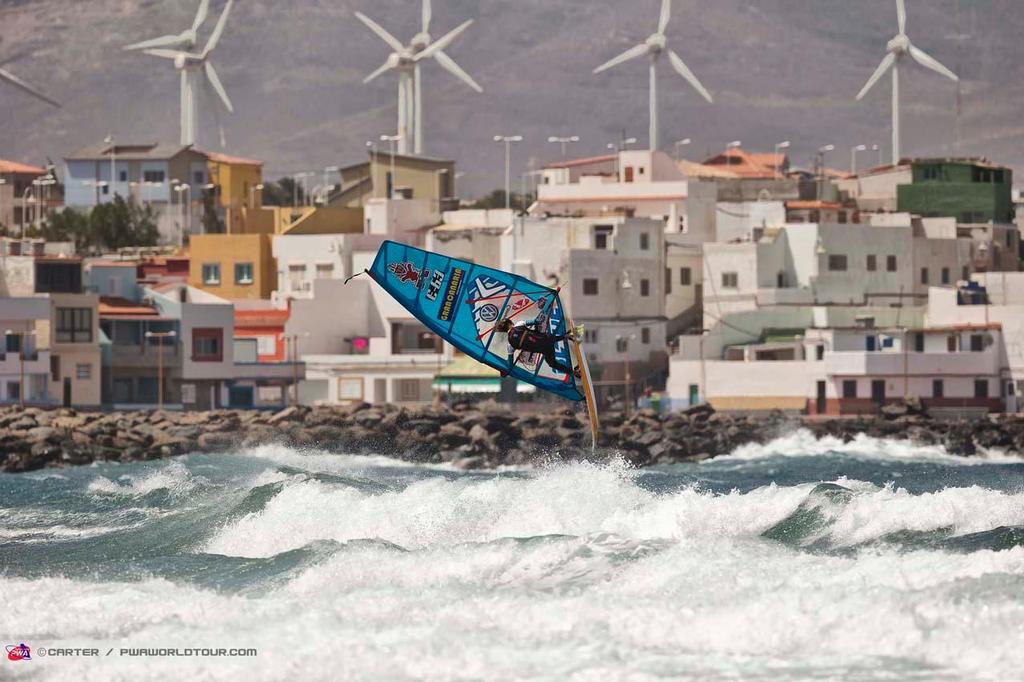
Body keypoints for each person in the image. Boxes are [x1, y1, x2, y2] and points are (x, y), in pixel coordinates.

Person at [495, 317, 580, 379]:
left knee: (552, 364)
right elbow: (536, 321)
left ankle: (574, 372)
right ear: (509, 324)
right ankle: (567, 336)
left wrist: (504, 371)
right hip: (547, 339)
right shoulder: (518, 324)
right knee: (545, 337)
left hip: (545, 350)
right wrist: (537, 326)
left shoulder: (510, 345)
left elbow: (510, 365)